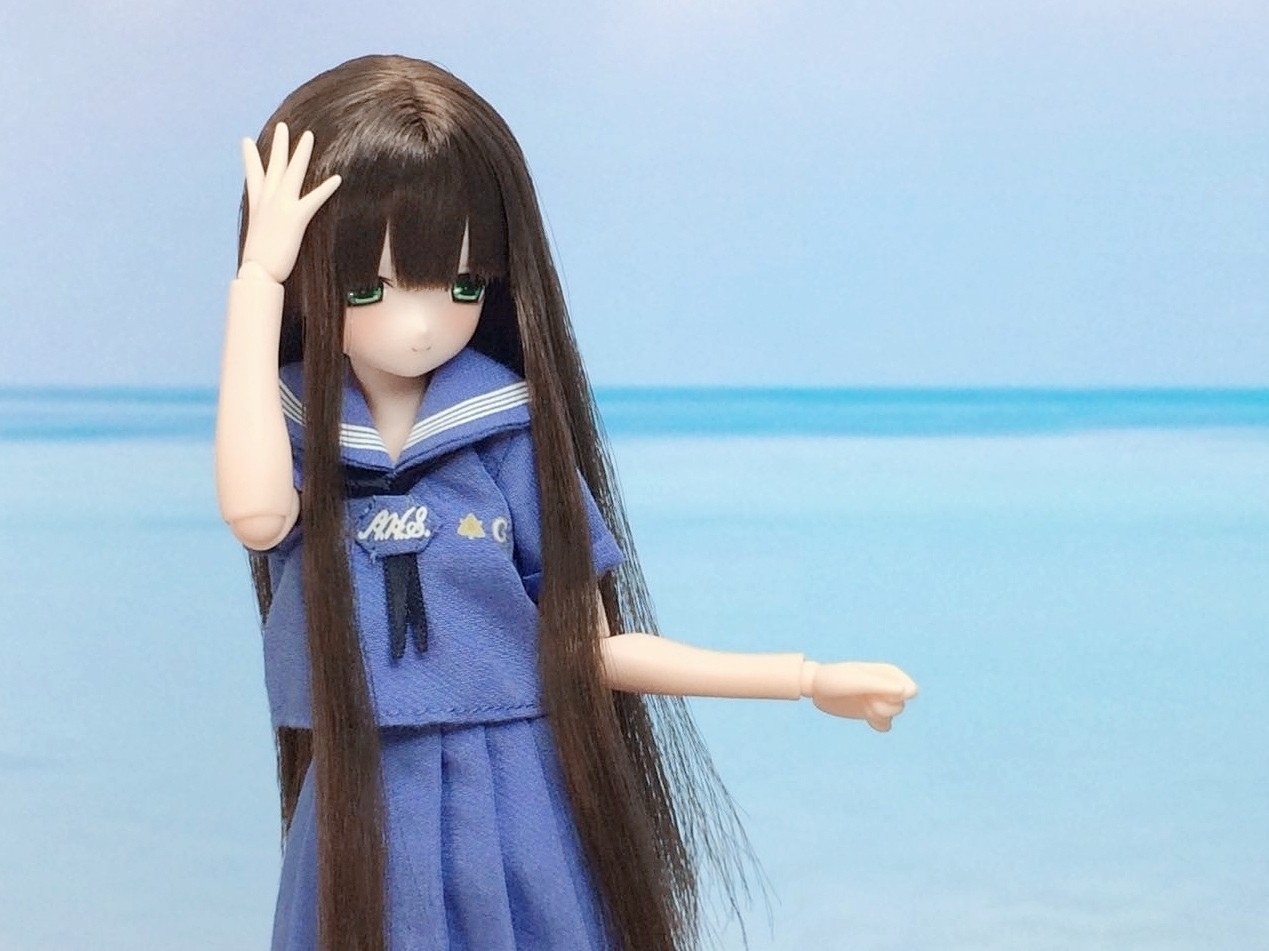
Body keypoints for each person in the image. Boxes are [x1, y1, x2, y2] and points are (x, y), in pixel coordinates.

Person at [215, 54, 918, 951]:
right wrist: (257, 286)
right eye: (368, 287)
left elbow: (591, 648)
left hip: (518, 793)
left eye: (461, 285)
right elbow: (257, 513)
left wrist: (803, 678)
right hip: (362, 801)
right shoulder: (299, 431)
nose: (420, 324)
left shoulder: (506, 434)